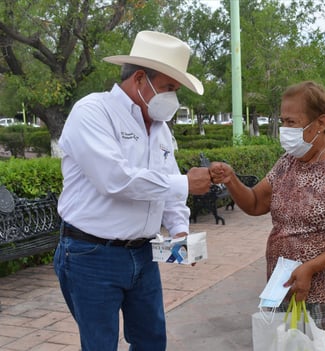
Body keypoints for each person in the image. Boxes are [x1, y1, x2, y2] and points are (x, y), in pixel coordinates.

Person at [53, 30, 211, 351]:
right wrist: (184, 183)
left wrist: (180, 230)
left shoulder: (160, 128)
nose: (173, 98)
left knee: (152, 340)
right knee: (100, 344)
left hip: (144, 253)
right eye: (168, 88)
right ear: (140, 78)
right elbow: (115, 179)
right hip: (91, 254)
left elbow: (164, 183)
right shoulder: (93, 112)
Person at [210, 81, 325, 351]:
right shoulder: (288, 161)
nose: (284, 130)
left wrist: (311, 267)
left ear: (320, 122)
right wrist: (231, 180)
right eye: (282, 121)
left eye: (292, 122)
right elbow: (255, 203)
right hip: (283, 289)